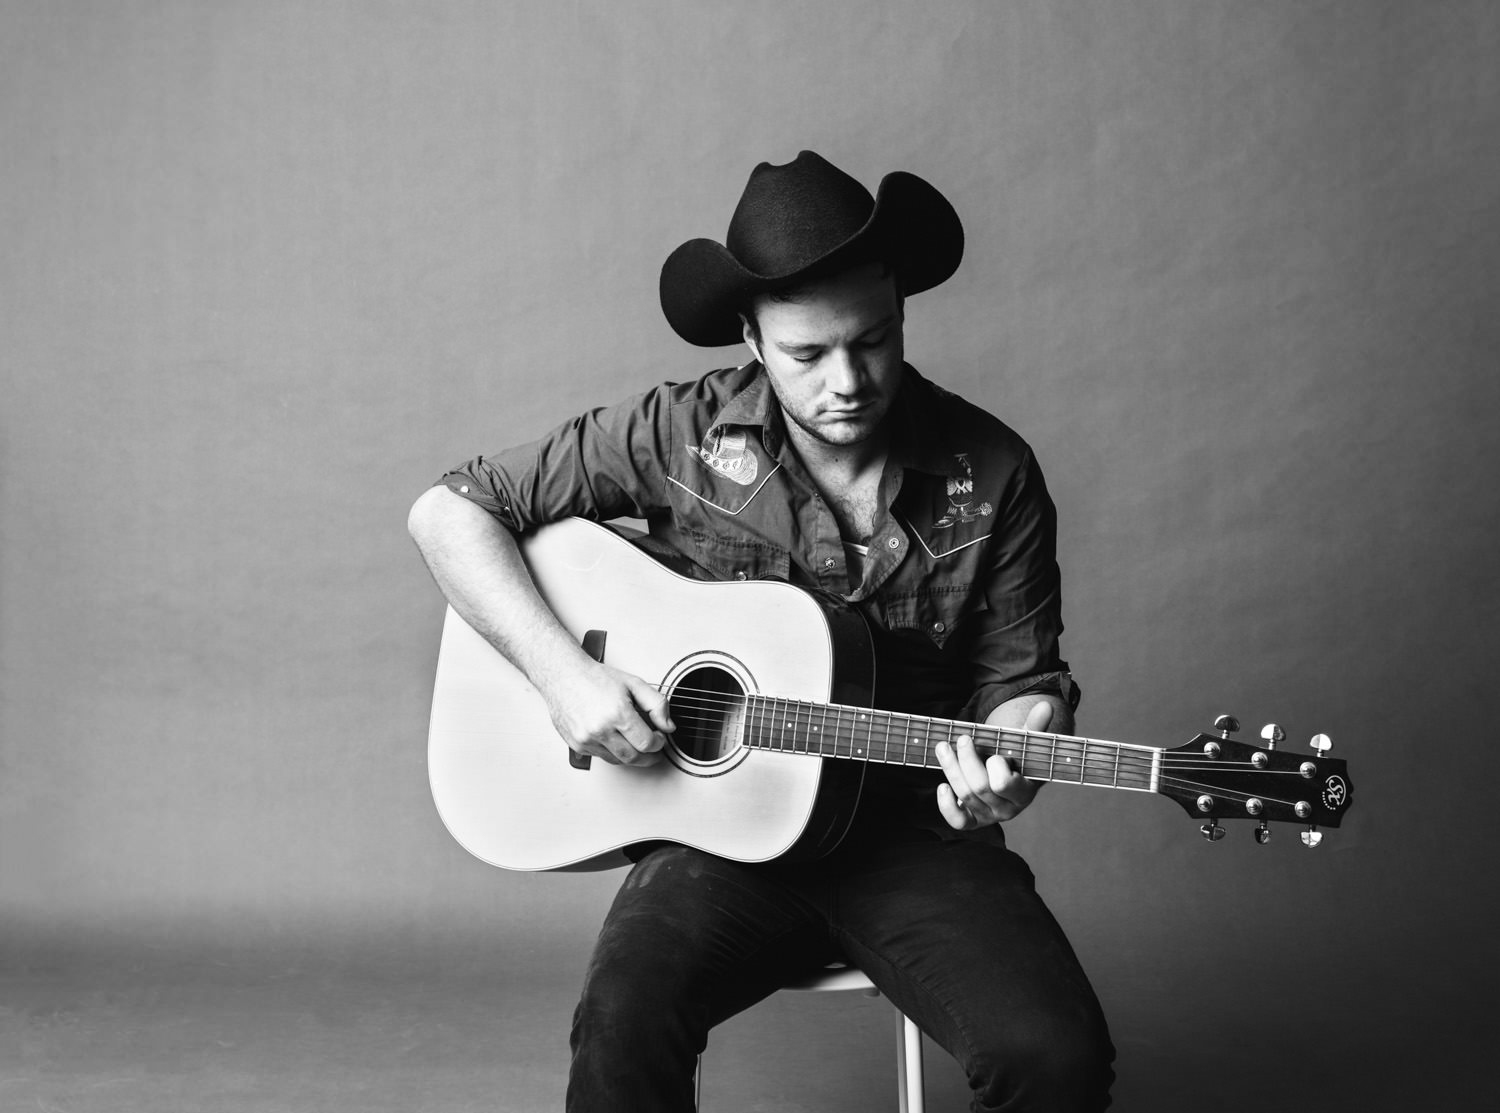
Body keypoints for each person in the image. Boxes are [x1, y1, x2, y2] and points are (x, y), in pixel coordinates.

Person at [408, 150, 1115, 1111]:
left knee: (1055, 1057)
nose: (847, 381)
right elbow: (448, 512)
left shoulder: (993, 471)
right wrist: (563, 675)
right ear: (751, 337)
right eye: (806, 355)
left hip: (916, 840)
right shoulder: (676, 435)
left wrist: (1014, 758)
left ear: (902, 308)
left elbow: (1021, 684)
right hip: (719, 843)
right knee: (622, 1018)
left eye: (872, 340)